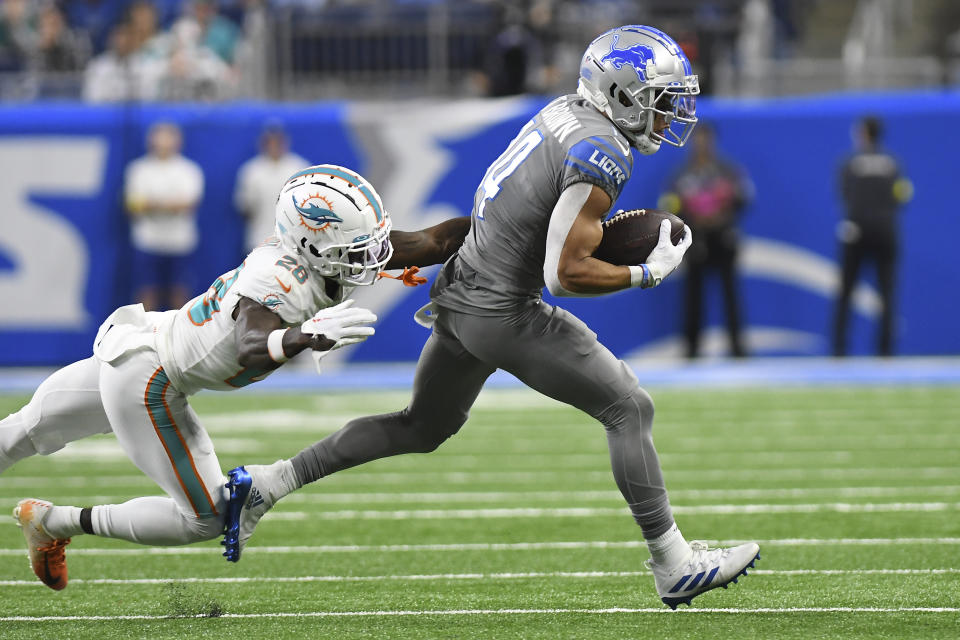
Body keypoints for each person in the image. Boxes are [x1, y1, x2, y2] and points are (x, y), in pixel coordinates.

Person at [226, 26, 760, 609]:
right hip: (504, 308)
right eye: (660, 98)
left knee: (420, 427)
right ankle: (673, 563)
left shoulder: (565, 113)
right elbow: (565, 273)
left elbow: (548, 235)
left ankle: (270, 484)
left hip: (464, 291)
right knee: (629, 408)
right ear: (622, 92)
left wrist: (601, 241)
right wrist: (646, 272)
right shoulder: (603, 150)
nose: (670, 114)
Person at [2, 164, 468, 591]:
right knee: (204, 518)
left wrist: (509, 215)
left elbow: (434, 242)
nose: (373, 255)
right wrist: (301, 336)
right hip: (151, 380)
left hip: (145, 343)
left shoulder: (323, 253)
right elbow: (252, 344)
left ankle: (48, 522)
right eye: (357, 246)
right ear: (313, 245)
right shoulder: (277, 277)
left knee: (21, 431)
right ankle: (55, 522)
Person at [659, 123, 752, 358]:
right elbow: (669, 206)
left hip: (723, 238)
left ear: (712, 142)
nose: (701, 144)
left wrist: (723, 214)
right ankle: (691, 349)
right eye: (697, 139)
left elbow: (744, 198)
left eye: (705, 139)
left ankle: (737, 348)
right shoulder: (681, 174)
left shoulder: (727, 171)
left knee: (730, 295)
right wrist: (692, 219)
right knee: (693, 296)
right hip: (695, 240)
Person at [832, 116, 912, 357]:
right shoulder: (893, 163)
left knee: (846, 291)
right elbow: (902, 195)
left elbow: (844, 194)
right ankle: (885, 351)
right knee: (886, 292)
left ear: (863, 133)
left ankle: (839, 350)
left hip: (856, 231)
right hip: (886, 231)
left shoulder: (850, 163)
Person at [124, 122, 204, 311]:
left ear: (177, 142)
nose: (163, 143)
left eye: (168, 137)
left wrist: (152, 204)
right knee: (146, 289)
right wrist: (168, 204)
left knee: (179, 290)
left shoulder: (188, 170)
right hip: (147, 240)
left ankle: (181, 337)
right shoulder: (139, 169)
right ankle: (145, 337)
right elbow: (133, 205)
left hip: (179, 242)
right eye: (159, 137)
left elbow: (187, 204)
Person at [234, 122, 309, 253]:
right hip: (259, 238)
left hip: (294, 241)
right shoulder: (252, 170)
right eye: (270, 142)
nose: (274, 146)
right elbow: (244, 207)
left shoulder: (299, 167)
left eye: (278, 142)